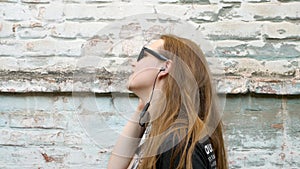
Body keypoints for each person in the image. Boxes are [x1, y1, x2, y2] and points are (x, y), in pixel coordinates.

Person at [107, 34, 228, 169]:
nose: (134, 63)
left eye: (143, 55)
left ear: (165, 67)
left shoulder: (177, 143)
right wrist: (143, 107)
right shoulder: (171, 136)